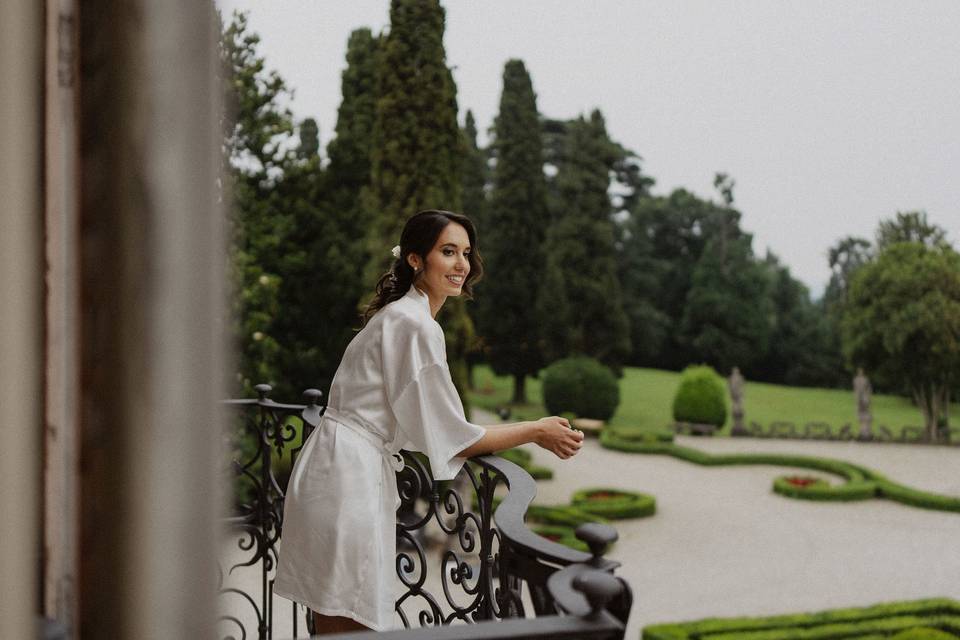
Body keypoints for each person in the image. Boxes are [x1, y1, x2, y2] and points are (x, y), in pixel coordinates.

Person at [273, 210, 584, 634]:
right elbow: (455, 438)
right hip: (348, 479)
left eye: (467, 254)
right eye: (449, 252)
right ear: (416, 260)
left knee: (339, 616)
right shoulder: (415, 325)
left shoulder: (402, 316)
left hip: (337, 469)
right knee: (349, 622)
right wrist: (536, 429)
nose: (462, 265)